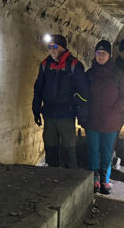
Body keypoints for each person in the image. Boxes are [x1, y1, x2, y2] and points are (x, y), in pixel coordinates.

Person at [32, 34, 89, 169]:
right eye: (50, 47)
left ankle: (71, 175)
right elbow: (38, 88)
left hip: (66, 113)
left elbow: (84, 91)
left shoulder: (74, 65)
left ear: (63, 48)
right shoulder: (45, 64)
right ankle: (52, 173)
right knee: (50, 144)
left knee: (69, 145)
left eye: (55, 46)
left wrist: (82, 111)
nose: (51, 50)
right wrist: (36, 109)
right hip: (49, 113)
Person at [85, 40, 124, 194]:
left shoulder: (117, 73)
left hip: (110, 121)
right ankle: (94, 179)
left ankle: (105, 180)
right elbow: (82, 93)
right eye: (98, 53)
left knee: (106, 151)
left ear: (109, 55)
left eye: (104, 53)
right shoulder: (90, 74)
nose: (101, 56)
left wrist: (116, 109)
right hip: (92, 120)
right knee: (93, 150)